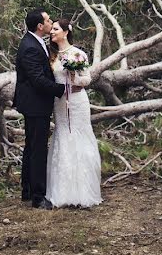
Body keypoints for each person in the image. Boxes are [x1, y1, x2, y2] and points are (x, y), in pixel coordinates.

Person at [12, 8, 82, 209]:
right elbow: (38, 80)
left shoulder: (35, 42)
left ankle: (27, 190)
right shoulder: (31, 46)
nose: (51, 22)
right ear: (40, 26)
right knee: (38, 150)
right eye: (48, 20)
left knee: (32, 147)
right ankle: (38, 196)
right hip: (35, 104)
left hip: (34, 103)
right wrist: (65, 89)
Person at [45, 18, 102, 208]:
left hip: (78, 101)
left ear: (66, 32)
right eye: (51, 29)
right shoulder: (51, 55)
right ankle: (62, 191)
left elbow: (88, 79)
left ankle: (83, 190)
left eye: (55, 29)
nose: (51, 32)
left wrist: (74, 77)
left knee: (80, 136)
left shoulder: (78, 54)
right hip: (60, 103)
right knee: (62, 136)